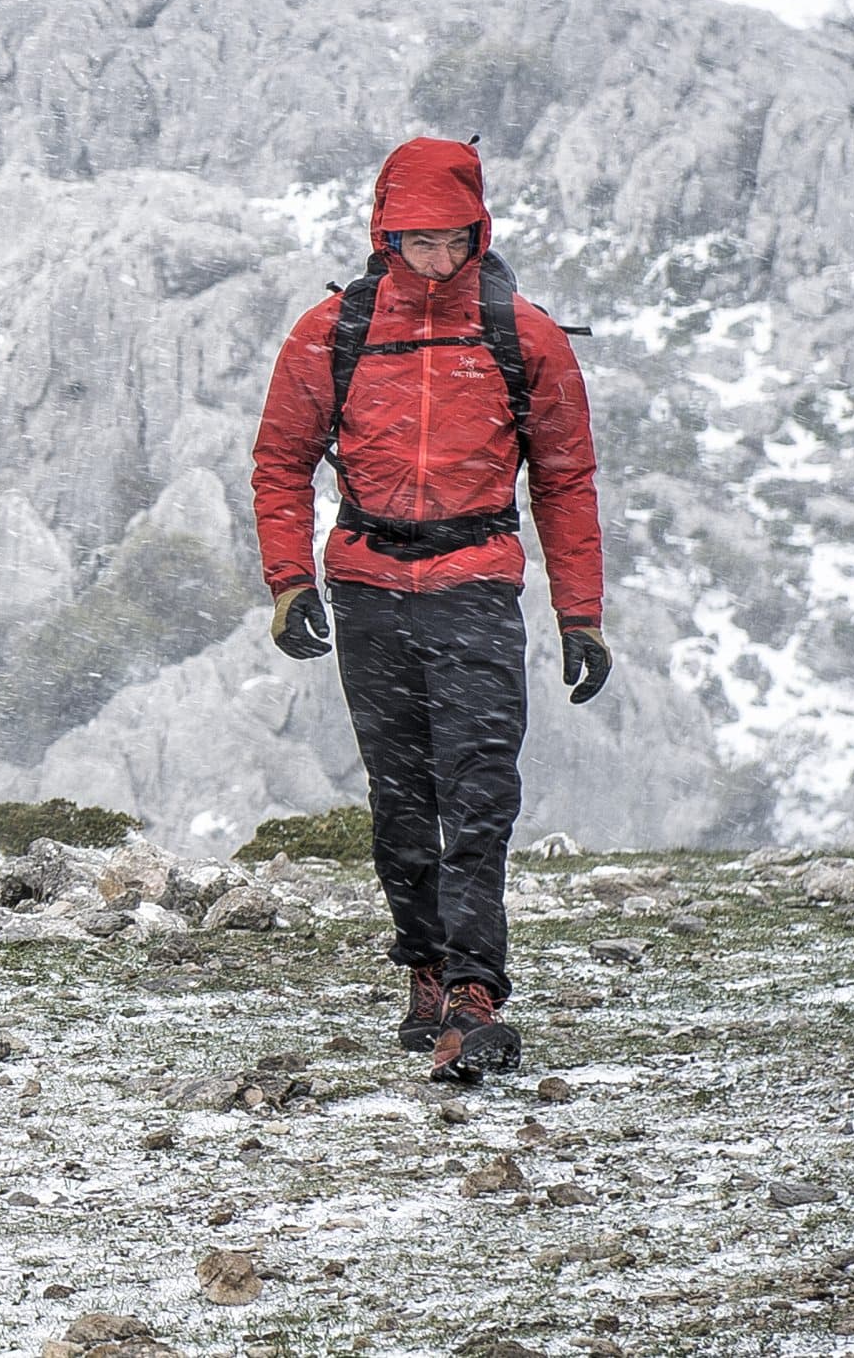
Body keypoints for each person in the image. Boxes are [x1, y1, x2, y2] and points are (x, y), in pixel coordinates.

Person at [248, 135, 611, 1083]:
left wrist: (582, 616)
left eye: (454, 240)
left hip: (478, 585)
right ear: (384, 228)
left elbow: (566, 482)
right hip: (369, 587)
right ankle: (422, 966)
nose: (438, 259)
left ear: (478, 228)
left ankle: (475, 990)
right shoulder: (332, 331)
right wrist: (290, 583)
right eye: (418, 240)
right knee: (402, 799)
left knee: (480, 789)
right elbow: (281, 462)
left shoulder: (518, 332)